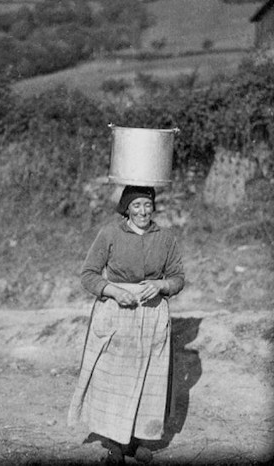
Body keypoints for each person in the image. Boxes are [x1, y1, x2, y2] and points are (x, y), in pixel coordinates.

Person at [68, 185, 185, 465]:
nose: (142, 211)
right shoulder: (110, 234)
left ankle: (138, 439)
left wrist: (161, 284)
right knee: (114, 379)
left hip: (153, 314)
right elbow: (88, 275)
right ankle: (115, 445)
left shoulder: (166, 237)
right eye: (136, 206)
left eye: (147, 205)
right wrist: (113, 290)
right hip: (116, 313)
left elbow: (178, 277)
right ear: (127, 209)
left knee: (149, 377)